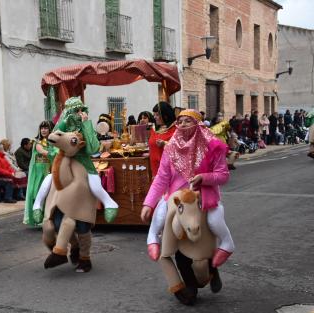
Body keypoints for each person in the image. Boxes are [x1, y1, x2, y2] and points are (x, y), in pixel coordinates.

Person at [140, 109, 235, 270]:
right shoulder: (170, 149)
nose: (183, 124)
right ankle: (152, 238)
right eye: (180, 121)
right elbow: (162, 178)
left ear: (198, 124)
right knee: (161, 214)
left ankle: (227, 243)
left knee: (214, 220)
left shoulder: (213, 146)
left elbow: (223, 176)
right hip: (176, 196)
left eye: (187, 120)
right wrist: (148, 204)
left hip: (203, 196)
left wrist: (204, 178)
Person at [31, 97, 119, 223]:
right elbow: (53, 141)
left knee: (94, 183)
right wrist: (63, 125)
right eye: (76, 110)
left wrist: (86, 124)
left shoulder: (85, 126)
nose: (79, 113)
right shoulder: (63, 126)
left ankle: (109, 203)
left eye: (81, 110)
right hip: (64, 162)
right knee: (49, 178)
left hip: (83, 163)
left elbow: (93, 149)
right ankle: (37, 205)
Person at [23, 121, 55, 227]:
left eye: (46, 128)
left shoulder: (54, 142)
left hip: (50, 170)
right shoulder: (38, 142)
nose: (44, 130)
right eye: (42, 128)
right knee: (35, 192)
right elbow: (42, 152)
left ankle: (49, 217)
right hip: (38, 172)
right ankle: (38, 218)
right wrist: (57, 153)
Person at [148, 102, 176, 176]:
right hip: (155, 168)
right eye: (154, 115)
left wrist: (165, 144)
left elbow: (180, 149)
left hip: (169, 170)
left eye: (157, 114)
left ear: (165, 115)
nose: (154, 117)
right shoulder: (154, 130)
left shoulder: (176, 129)